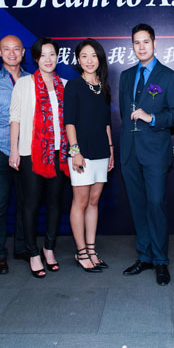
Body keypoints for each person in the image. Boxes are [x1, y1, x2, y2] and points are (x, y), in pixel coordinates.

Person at [119, 23, 174, 286]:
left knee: (156, 204)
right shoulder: (126, 76)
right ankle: (144, 256)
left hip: (156, 152)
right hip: (130, 151)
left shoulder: (168, 76)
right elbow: (124, 114)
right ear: (132, 46)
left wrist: (152, 117)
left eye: (146, 41)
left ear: (154, 43)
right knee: (137, 205)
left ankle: (160, 260)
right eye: (136, 42)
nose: (141, 47)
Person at [9, 37, 69, 278]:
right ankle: (32, 252)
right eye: (43, 55)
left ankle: (49, 248)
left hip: (58, 153)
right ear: (35, 58)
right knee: (31, 204)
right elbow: (15, 118)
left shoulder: (65, 84)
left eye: (52, 54)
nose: (48, 59)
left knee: (55, 203)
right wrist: (14, 149)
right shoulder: (24, 84)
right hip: (30, 153)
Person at [64, 39, 115, 273]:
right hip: (81, 154)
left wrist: (111, 149)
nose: (89, 60)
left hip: (101, 151)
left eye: (93, 55)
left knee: (94, 201)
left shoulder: (103, 86)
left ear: (100, 58)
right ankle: (81, 251)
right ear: (78, 60)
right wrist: (75, 152)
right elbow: (69, 122)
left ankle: (92, 250)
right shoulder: (73, 86)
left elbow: (106, 123)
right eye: (84, 56)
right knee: (81, 201)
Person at [0, 35, 28, 275]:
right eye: (7, 49)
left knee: (26, 203)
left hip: (28, 151)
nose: (12, 53)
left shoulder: (33, 80)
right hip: (0, 149)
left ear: (23, 52)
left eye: (16, 49)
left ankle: (22, 247)